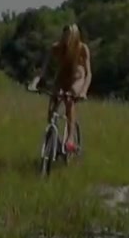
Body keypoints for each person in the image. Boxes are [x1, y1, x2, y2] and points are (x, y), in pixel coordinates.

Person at [27, 23, 92, 153]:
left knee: (69, 99)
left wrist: (84, 91)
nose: (67, 39)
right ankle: (53, 137)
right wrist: (34, 83)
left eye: (70, 36)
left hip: (77, 78)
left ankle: (70, 139)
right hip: (62, 78)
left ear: (75, 37)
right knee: (53, 101)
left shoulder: (82, 48)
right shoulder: (56, 48)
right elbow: (43, 70)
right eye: (65, 36)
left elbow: (88, 73)